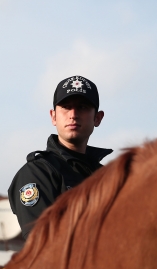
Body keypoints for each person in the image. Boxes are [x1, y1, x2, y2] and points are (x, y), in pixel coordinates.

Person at [8, 76, 112, 238]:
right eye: (66, 107)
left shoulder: (108, 177)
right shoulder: (38, 172)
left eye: (82, 107)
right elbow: (43, 243)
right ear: (54, 116)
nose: (73, 114)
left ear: (97, 118)